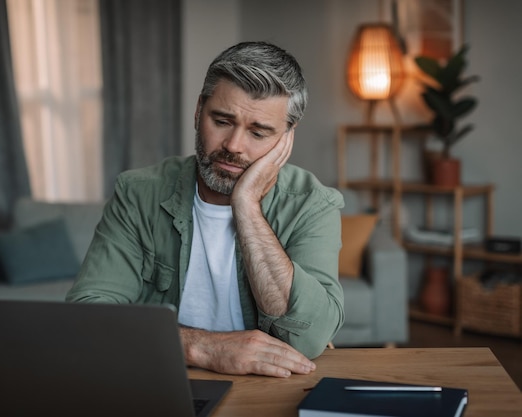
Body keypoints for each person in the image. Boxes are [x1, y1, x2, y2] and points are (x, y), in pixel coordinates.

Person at [66, 41, 344, 378]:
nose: (233, 146)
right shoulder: (138, 192)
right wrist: (201, 347)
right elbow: (86, 320)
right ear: (199, 111)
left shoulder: (312, 203)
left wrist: (246, 206)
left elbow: (310, 338)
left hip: (269, 389)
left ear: (285, 139)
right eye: (223, 120)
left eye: (259, 132)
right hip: (161, 379)